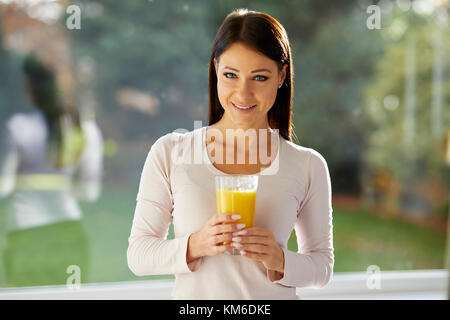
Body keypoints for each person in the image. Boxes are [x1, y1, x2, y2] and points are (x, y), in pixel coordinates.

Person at [127, 8, 334, 299]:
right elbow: (139, 254)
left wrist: (281, 259)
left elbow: (322, 266)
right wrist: (195, 245)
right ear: (215, 70)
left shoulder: (308, 165)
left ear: (281, 75)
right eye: (230, 75)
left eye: (259, 78)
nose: (243, 94)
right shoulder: (171, 153)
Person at [0, 53, 103, 287]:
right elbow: (89, 193)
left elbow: (3, 187)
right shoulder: (86, 130)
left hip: (25, 234)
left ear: (28, 87)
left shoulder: (17, 128)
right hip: (70, 235)